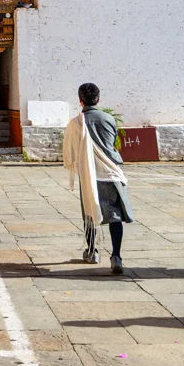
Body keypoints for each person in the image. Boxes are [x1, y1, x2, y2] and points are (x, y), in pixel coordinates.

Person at [63, 83, 134, 275]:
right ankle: (116, 256)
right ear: (98, 99)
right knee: (115, 216)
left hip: (89, 173)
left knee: (89, 212)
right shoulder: (108, 118)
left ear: (80, 100)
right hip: (111, 172)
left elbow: (71, 149)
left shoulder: (76, 123)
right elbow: (111, 144)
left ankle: (92, 251)